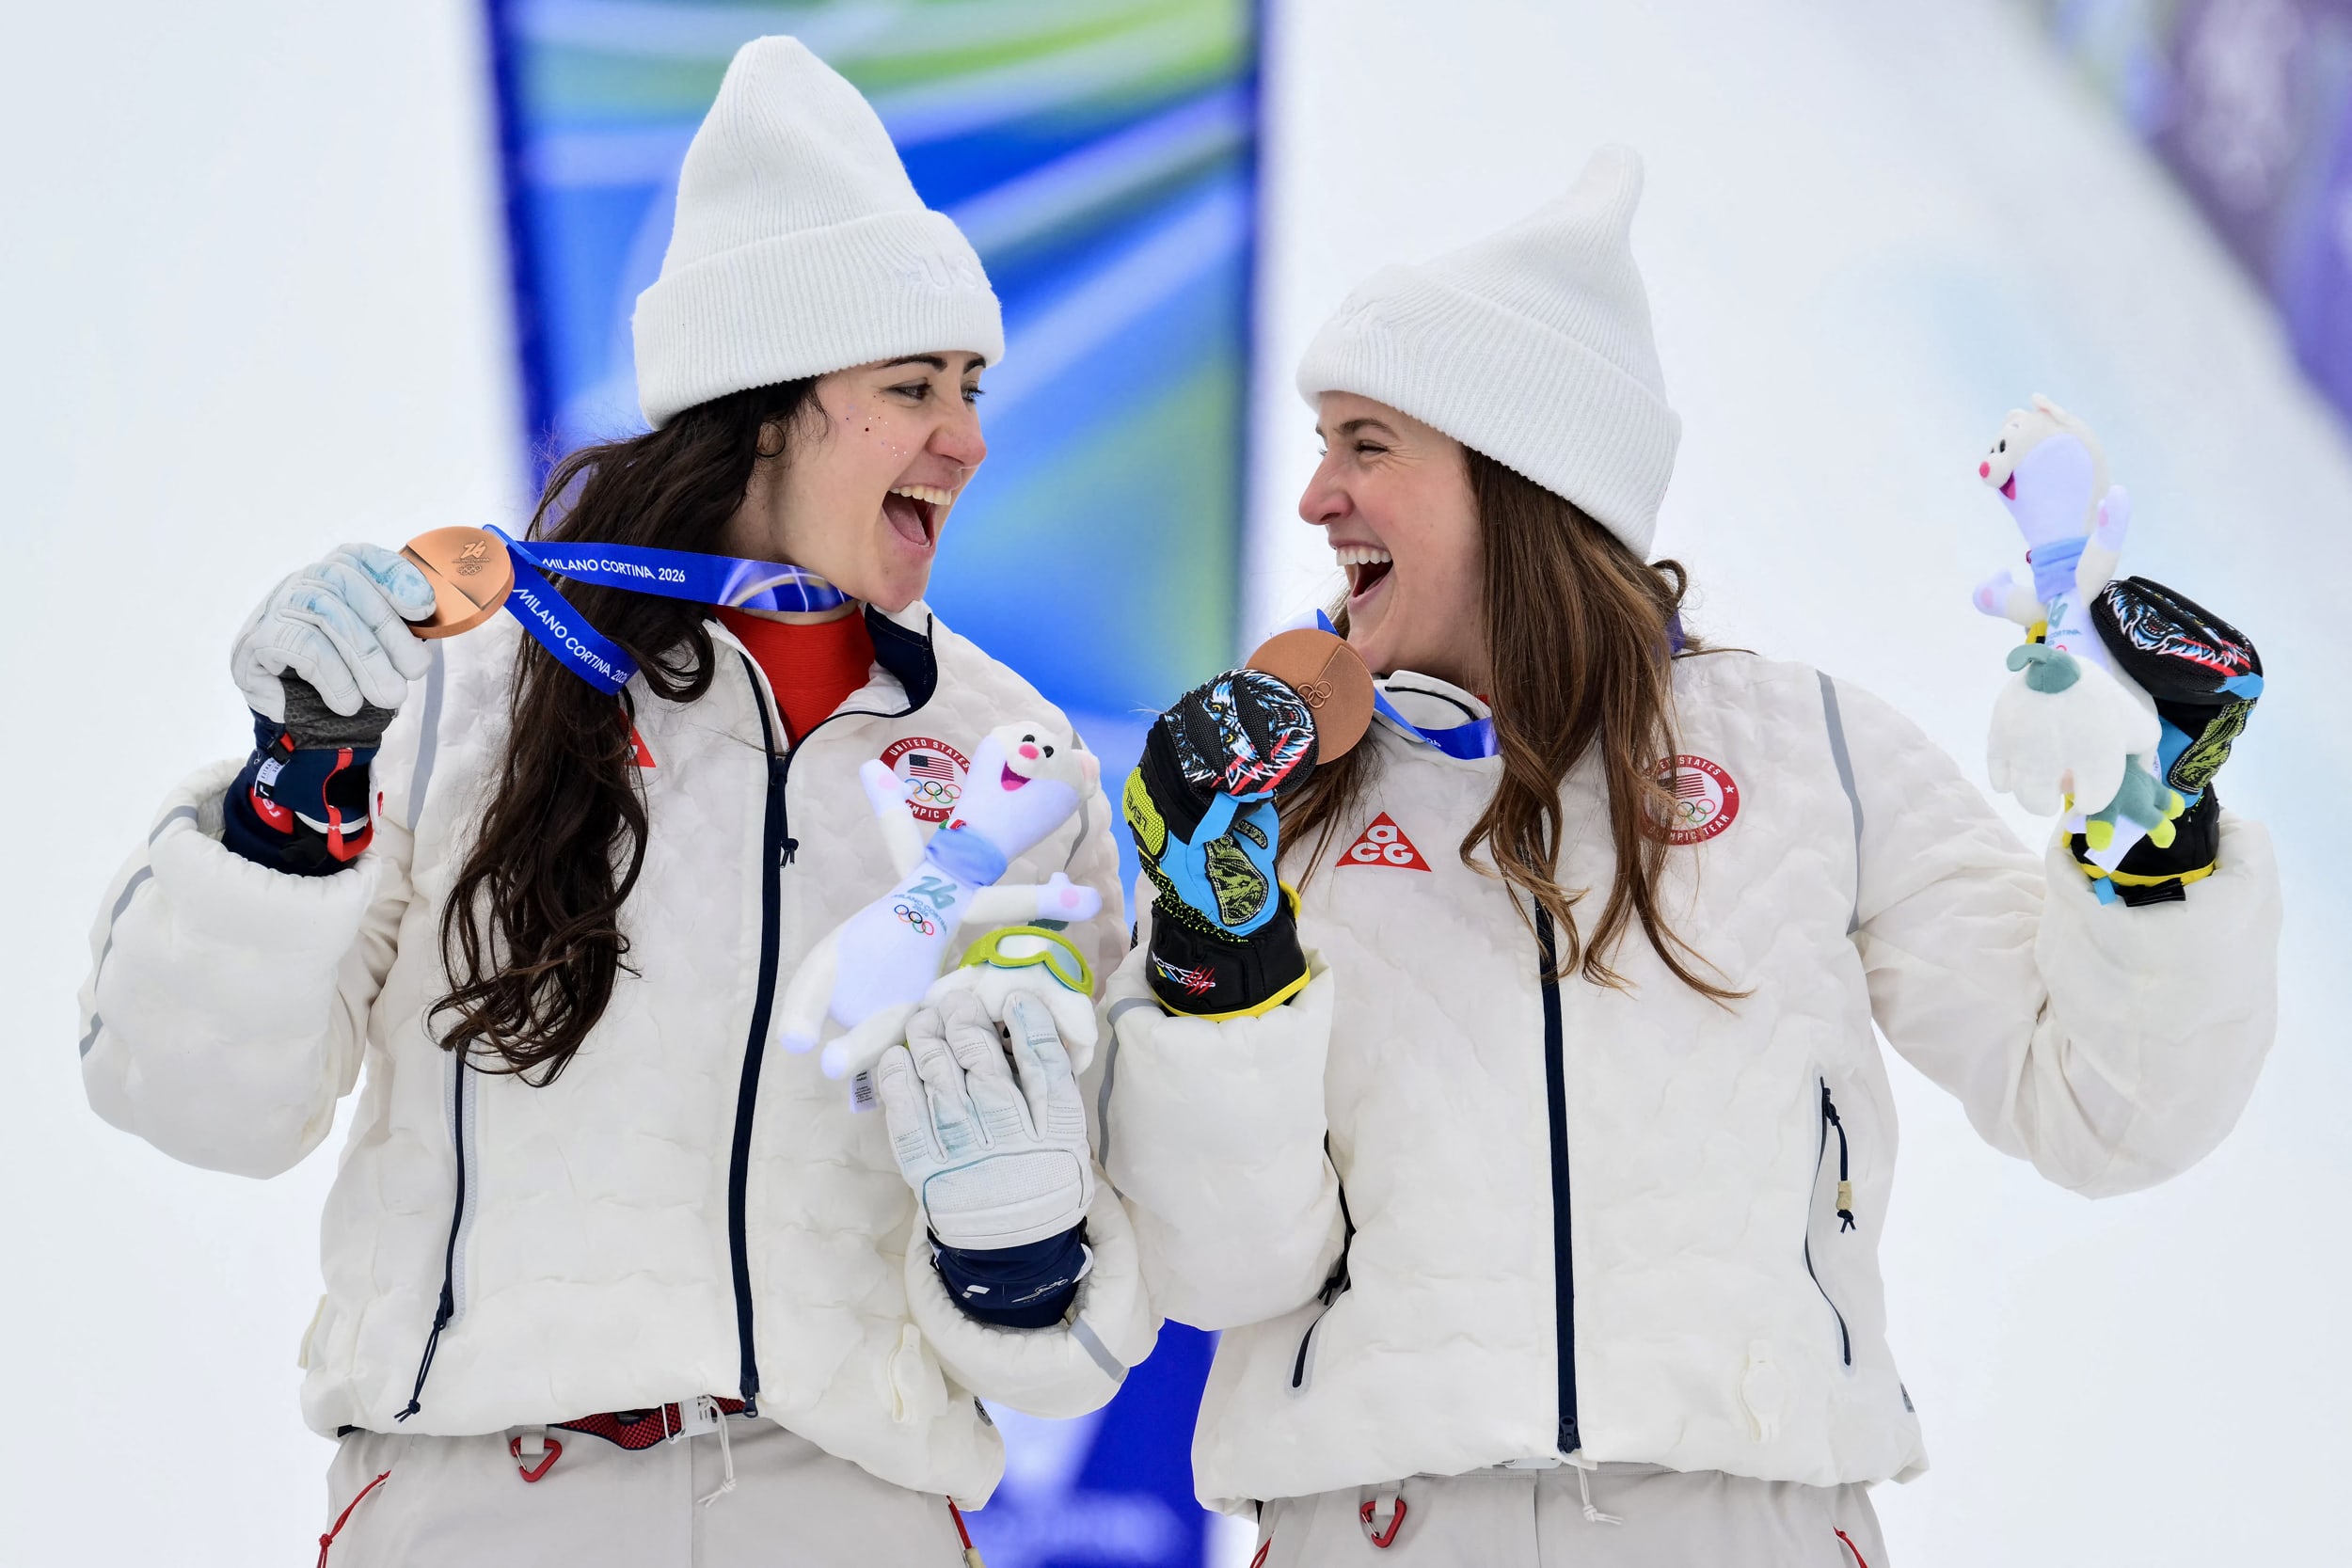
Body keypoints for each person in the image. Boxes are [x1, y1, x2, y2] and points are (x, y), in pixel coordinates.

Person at [1097, 147, 2280, 1564]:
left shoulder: (1811, 756)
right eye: (1321, 444)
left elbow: (2104, 1107)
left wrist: (2154, 830)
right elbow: (1225, 1266)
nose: (1316, 498)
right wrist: (1217, 950)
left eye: (1365, 445)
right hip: (1385, 1531)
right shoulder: (1279, 800)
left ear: (1517, 479)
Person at [76, 38, 1152, 1565]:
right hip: (487, 1508)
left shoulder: (1009, 760)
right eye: (913, 387)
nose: (967, 438)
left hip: (850, 1516)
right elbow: (195, 1101)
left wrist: (1021, 1255)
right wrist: (291, 794)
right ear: (761, 407)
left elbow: (1077, 1334)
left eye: (971, 389)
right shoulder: (461, 688)